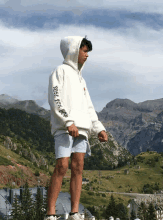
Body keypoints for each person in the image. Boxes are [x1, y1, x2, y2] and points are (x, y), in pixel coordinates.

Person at [45, 36, 108, 220]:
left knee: (78, 167)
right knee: (62, 166)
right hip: (66, 128)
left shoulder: (82, 80)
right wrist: (67, 122)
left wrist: (98, 129)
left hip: (83, 129)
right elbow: (55, 99)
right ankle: (50, 214)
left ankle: (74, 212)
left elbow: (88, 107)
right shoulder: (60, 71)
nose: (87, 55)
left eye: (88, 51)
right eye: (84, 51)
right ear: (74, 50)